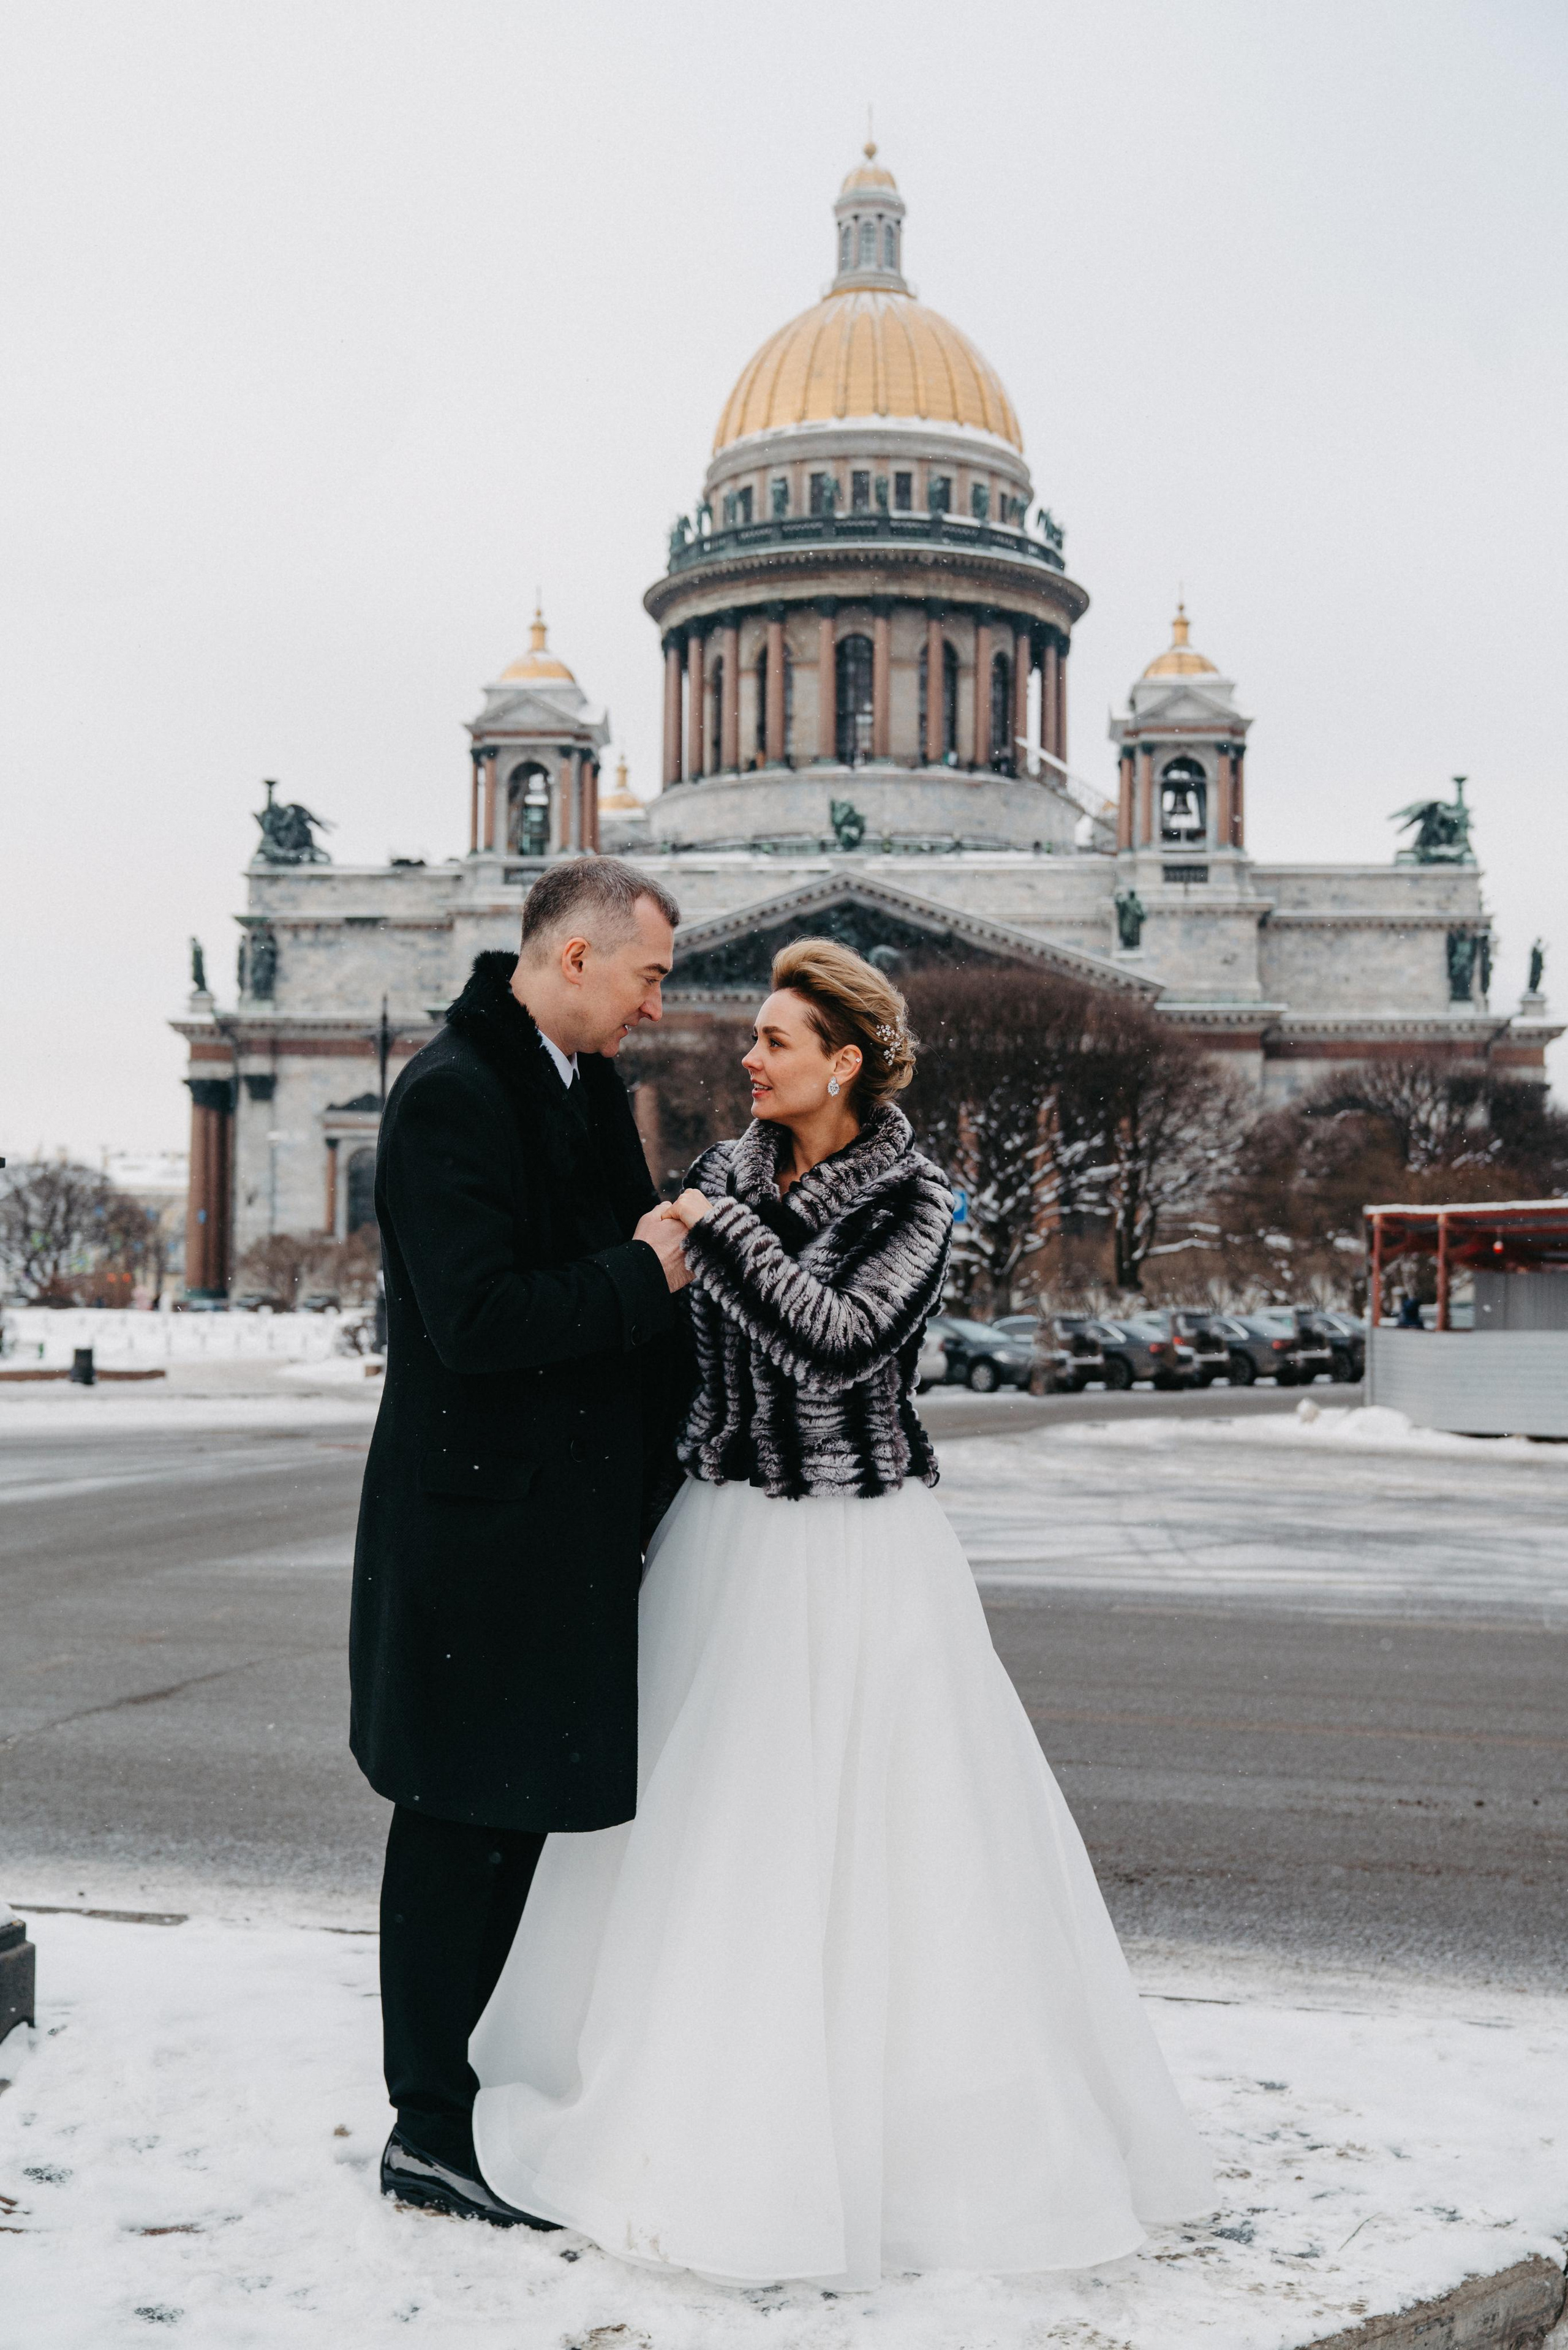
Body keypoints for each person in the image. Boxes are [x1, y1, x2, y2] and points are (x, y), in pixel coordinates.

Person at [470, 938, 1214, 2287]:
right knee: (709, 1834)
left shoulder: (914, 1199)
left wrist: (721, 1228)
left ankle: (894, 2143)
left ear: (844, 1061)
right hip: (720, 1533)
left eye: (771, 1039)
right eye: (751, 1037)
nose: (742, 1057)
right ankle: (685, 2101)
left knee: (888, 1843)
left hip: (860, 1546)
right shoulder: (715, 1175)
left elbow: (837, 1343)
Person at [351, 856, 690, 2227]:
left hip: (549, 1527)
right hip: (475, 1532)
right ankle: (426, 2122)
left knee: (511, 1824)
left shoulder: (573, 1083)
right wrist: (647, 1265)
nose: (655, 1009)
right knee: (454, 1825)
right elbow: (476, 1321)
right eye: (647, 976)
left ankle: (465, 2101)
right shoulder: (449, 1093)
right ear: (570, 961)